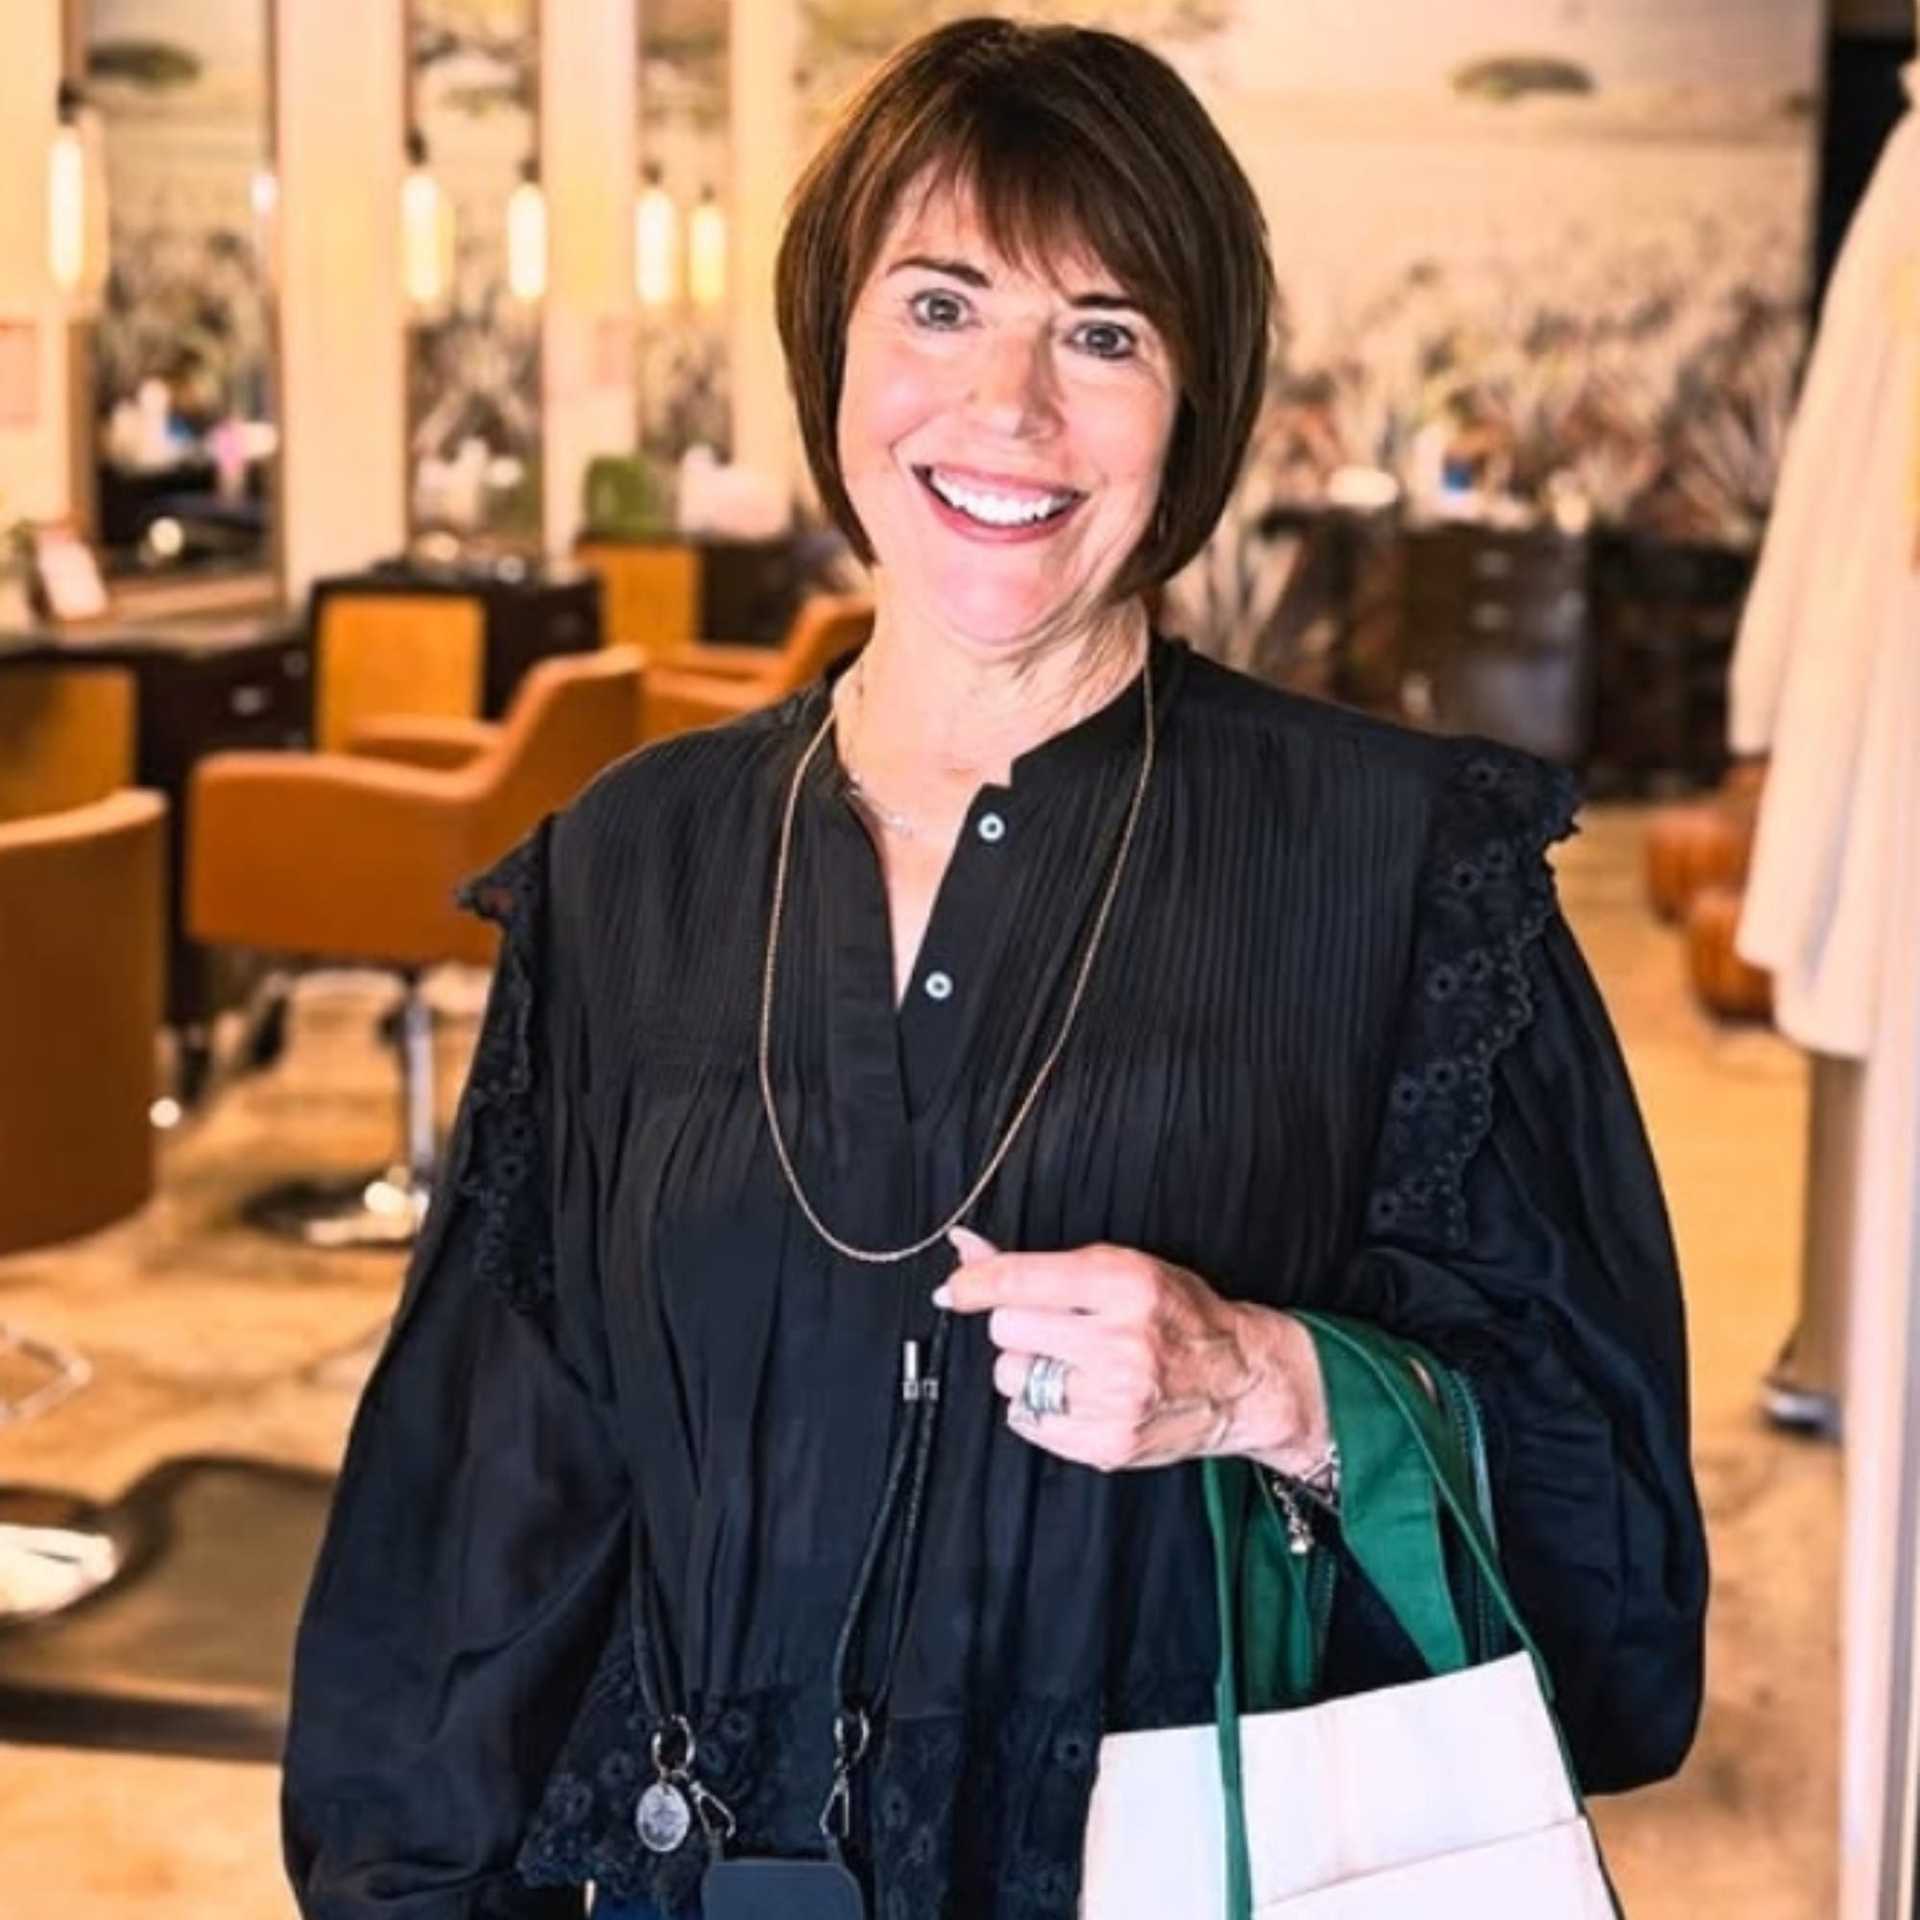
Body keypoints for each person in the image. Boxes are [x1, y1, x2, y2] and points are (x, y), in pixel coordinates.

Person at [281, 20, 1707, 1918]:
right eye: (941, 306)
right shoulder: (630, 864)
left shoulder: (1405, 871)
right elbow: (484, 1513)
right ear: (834, 347)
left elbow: (1621, 1573)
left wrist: (1272, 1383)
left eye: (1104, 333)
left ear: (1195, 401)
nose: (1013, 409)